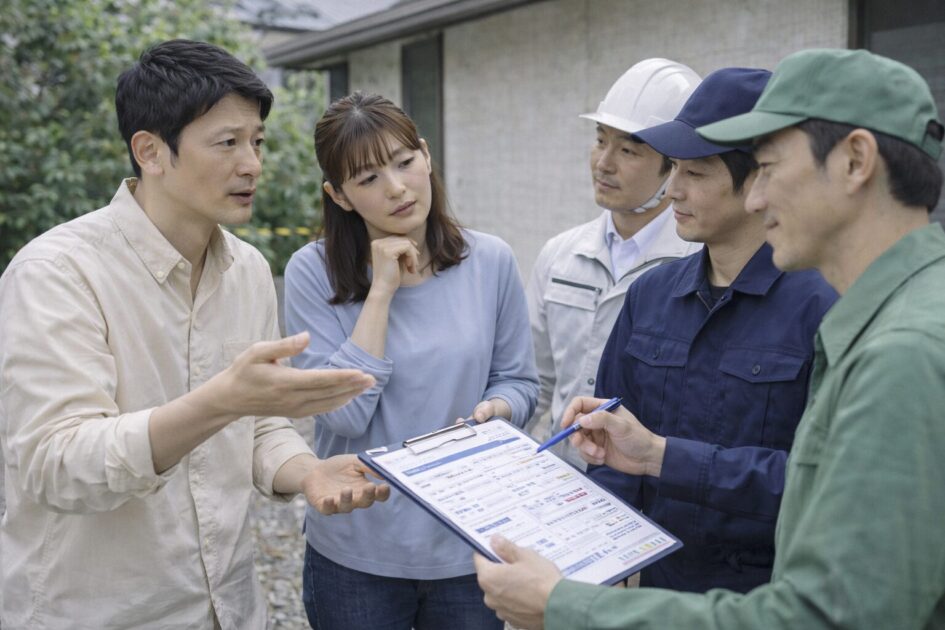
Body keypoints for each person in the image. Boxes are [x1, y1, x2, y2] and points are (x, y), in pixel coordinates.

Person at [474, 48, 945, 630]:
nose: (756, 197)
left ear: (854, 161)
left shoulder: (907, 349)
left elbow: (832, 615)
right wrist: (649, 462)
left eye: (769, 167)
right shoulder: (893, 320)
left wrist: (567, 606)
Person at [0, 40, 390, 629]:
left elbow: (261, 427)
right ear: (151, 152)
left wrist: (307, 470)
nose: (252, 163)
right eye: (227, 142)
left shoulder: (250, 270)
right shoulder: (57, 272)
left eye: (257, 141)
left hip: (229, 608)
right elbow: (56, 463)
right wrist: (221, 401)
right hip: (97, 613)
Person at [283, 92, 538, 630]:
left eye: (404, 162)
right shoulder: (312, 272)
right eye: (368, 178)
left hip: (467, 542)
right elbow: (343, 416)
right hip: (357, 552)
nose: (396, 188)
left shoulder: (489, 259)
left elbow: (519, 381)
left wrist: (499, 408)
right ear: (340, 196)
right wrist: (380, 293)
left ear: (426, 156)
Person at [583, 67, 837, 594]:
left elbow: (828, 482)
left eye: (696, 173)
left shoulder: (824, 306)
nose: (672, 189)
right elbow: (611, 444)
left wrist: (664, 457)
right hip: (657, 593)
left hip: (773, 598)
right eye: (672, 167)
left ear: (761, 181)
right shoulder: (650, 296)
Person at [527, 59, 702, 469]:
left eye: (627, 149)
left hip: (643, 498)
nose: (604, 162)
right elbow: (537, 385)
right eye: (600, 139)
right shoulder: (559, 254)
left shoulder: (696, 265)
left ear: (674, 164)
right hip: (559, 486)